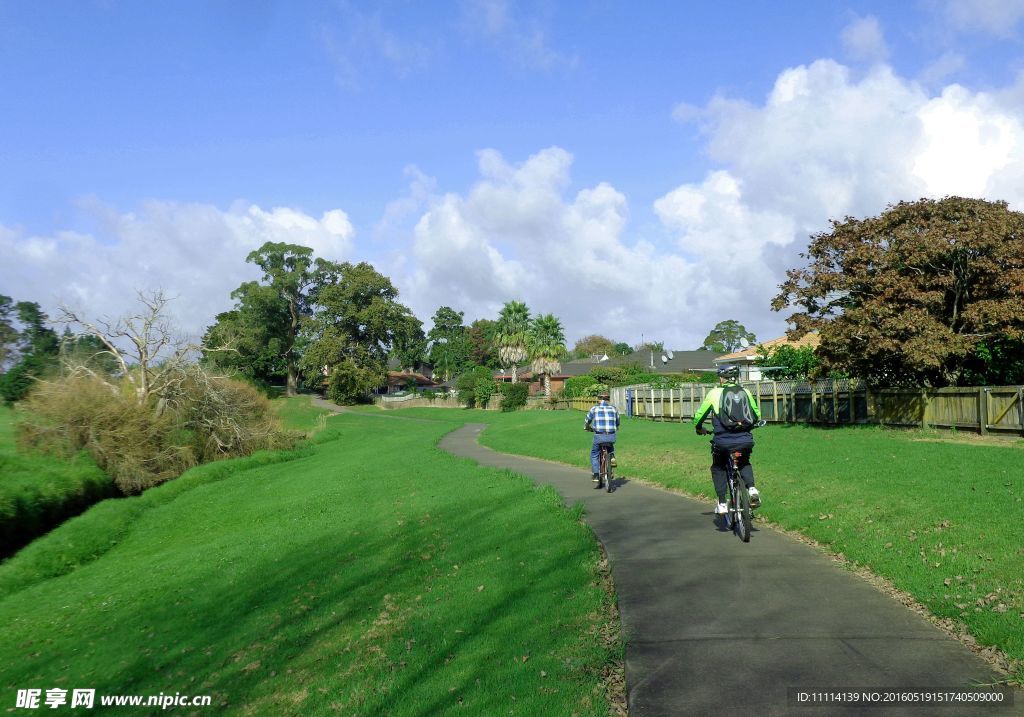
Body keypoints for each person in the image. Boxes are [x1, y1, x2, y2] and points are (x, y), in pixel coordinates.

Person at [692, 365, 762, 515]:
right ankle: (751, 489)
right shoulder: (746, 392)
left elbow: (700, 415)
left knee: (718, 467)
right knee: (744, 461)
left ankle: (723, 503)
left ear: (722, 378)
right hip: (745, 439)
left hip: (723, 441)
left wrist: (698, 427)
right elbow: (756, 414)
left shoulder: (714, 393)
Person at [584, 390, 619, 485]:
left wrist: (587, 428)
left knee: (594, 454)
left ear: (599, 399)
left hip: (599, 436)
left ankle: (596, 475)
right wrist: (616, 426)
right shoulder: (614, 409)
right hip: (611, 436)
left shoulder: (594, 409)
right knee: (610, 447)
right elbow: (617, 421)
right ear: (608, 399)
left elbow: (587, 420)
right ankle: (612, 457)